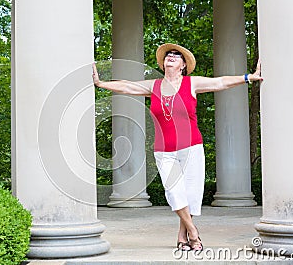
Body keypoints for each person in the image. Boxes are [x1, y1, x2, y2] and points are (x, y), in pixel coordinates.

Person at [92, 43, 262, 251]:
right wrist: (101, 83)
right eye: (168, 55)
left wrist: (248, 77)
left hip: (191, 147)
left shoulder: (192, 83)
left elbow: (220, 82)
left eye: (176, 55)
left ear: (183, 65)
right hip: (164, 150)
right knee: (174, 192)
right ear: (164, 63)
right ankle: (193, 232)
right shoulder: (152, 86)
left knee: (191, 193)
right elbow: (127, 86)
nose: (171, 56)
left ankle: (182, 236)